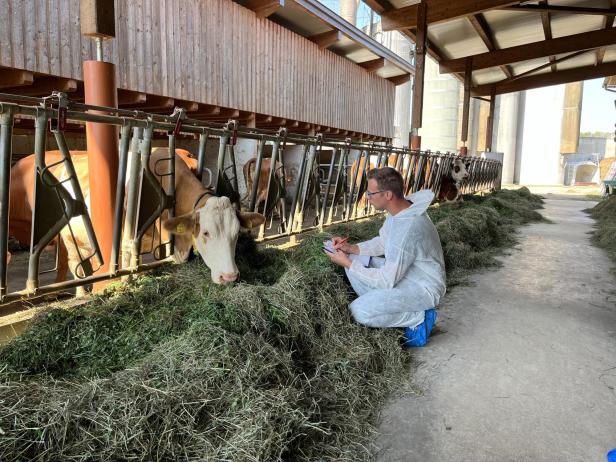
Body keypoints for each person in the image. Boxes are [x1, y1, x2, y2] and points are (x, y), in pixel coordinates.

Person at [324, 167, 446, 346]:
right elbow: (383, 241)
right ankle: (384, 307)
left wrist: (348, 264)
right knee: (354, 260)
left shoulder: (408, 228)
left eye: (371, 193)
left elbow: (386, 280)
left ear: (387, 195)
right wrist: (351, 248)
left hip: (423, 287)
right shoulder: (401, 211)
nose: (367, 197)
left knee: (358, 312)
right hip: (408, 274)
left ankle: (417, 318)